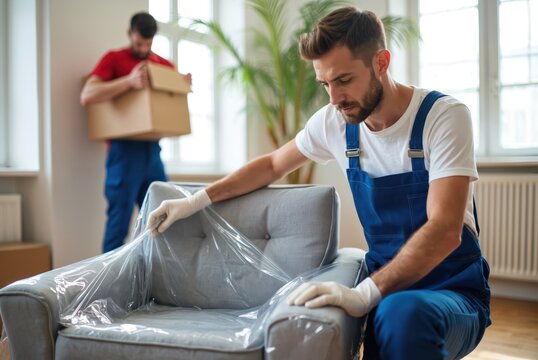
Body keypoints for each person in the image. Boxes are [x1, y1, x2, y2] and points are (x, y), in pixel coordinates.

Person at [146, 6, 491, 359]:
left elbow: (447, 228)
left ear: (381, 63)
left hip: (451, 291)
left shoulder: (443, 117)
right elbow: (270, 165)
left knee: (402, 316)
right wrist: (195, 200)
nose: (333, 98)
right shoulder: (336, 123)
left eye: (343, 80)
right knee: (393, 315)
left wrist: (365, 294)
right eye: (324, 84)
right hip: (389, 296)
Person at [81, 12, 191, 253]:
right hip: (123, 151)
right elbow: (87, 95)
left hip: (152, 150)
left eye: (148, 44)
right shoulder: (114, 59)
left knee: (162, 218)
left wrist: (182, 84)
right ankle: (109, 287)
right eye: (139, 43)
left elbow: (173, 97)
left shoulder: (162, 65)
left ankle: (155, 278)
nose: (144, 49)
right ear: (130, 34)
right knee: (118, 224)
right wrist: (128, 82)